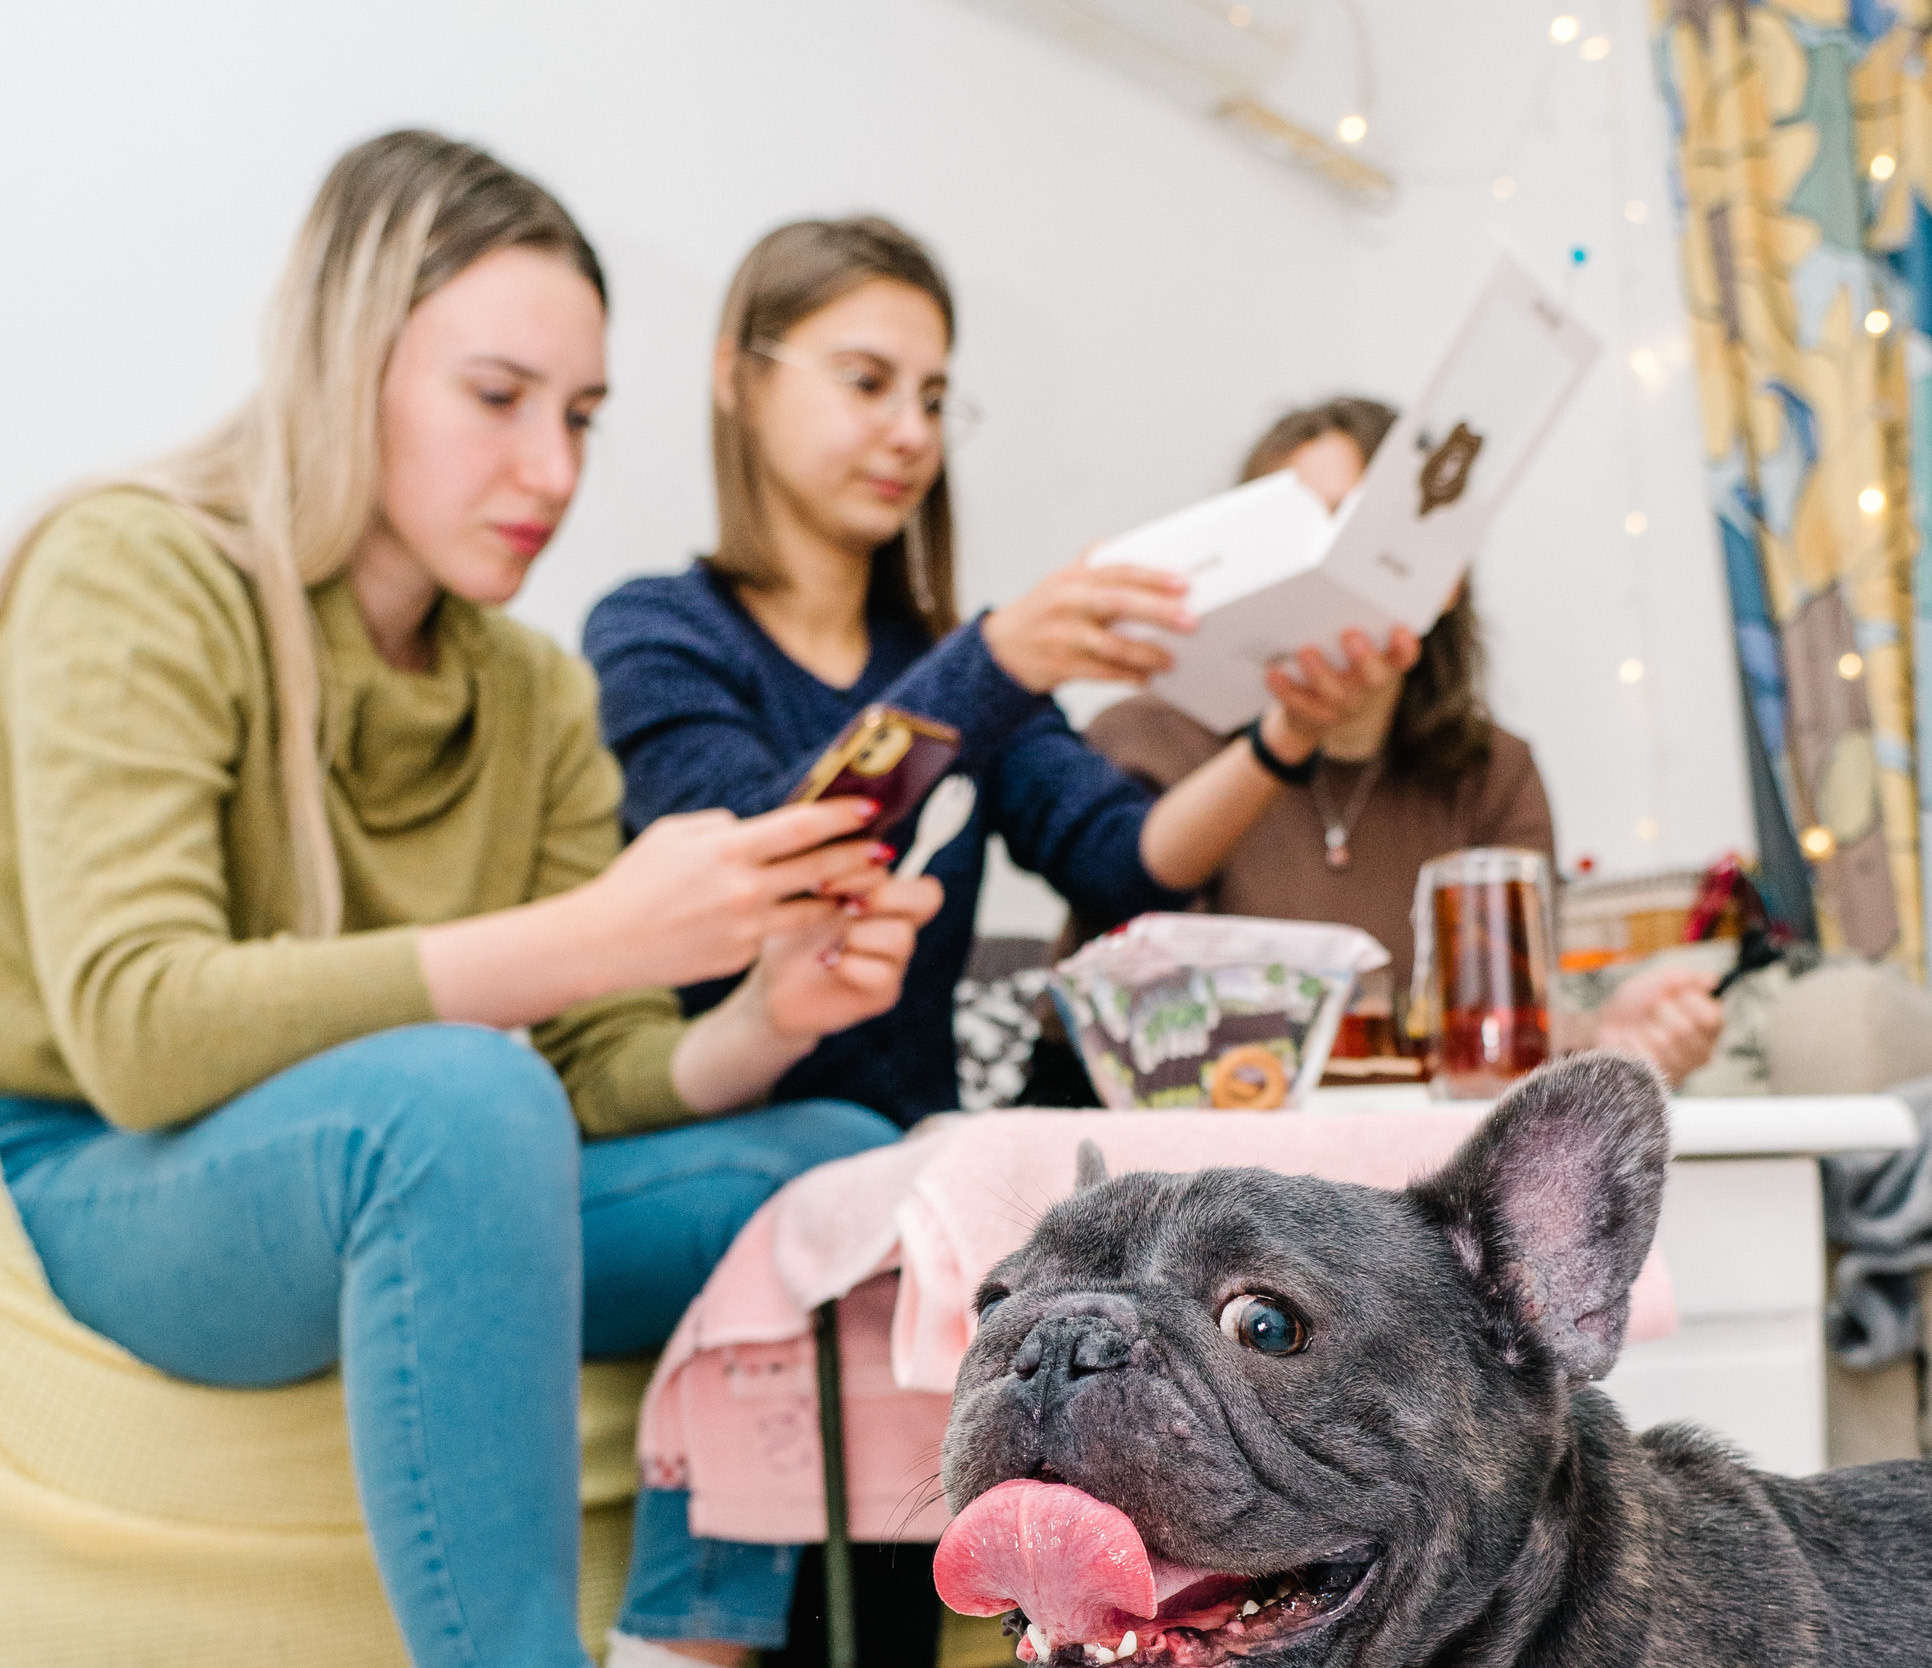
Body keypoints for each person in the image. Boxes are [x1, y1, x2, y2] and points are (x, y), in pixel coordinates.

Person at [0, 130, 943, 1668]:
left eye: (583, 415)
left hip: (442, 1154)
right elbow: (144, 1026)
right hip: (112, 1171)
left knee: (837, 1172)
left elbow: (598, 1080)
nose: (551, 471)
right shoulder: (129, 567)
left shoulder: (526, 688)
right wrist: (584, 930)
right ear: (347, 362)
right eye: (497, 398)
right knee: (451, 1094)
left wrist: (765, 1014)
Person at [585, 217, 1408, 1125]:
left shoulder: (954, 665)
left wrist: (1283, 735)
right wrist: (994, 661)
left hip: (911, 1161)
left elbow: (1125, 866)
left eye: (933, 400)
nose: (910, 433)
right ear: (738, 378)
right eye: (867, 384)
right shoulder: (654, 633)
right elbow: (755, 873)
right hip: (717, 1142)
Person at [1088, 396, 1724, 1087]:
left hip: (1411, 1165)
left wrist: (1605, 1040)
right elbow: (1154, 1036)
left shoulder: (1492, 773)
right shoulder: (1145, 741)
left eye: (1351, 530)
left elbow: (1493, 1035)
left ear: (1440, 575)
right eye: (1291, 539)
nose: (1321, 570)